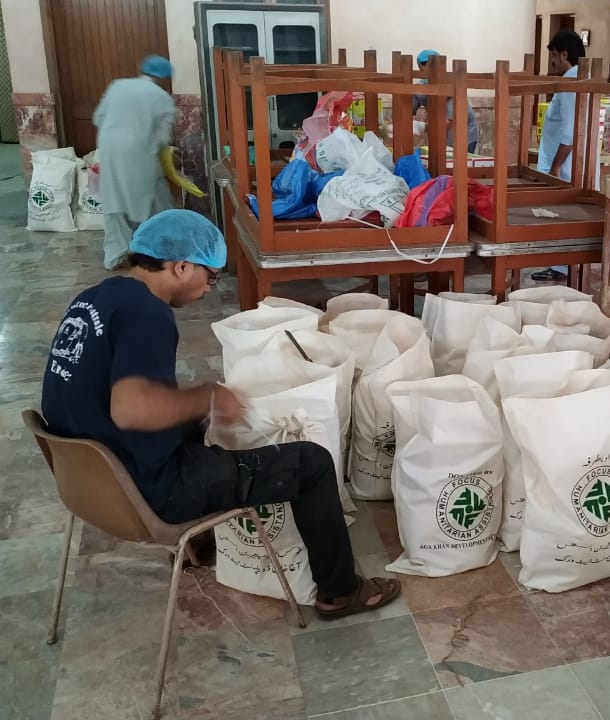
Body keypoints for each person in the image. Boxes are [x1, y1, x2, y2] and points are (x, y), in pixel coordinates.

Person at [40, 209, 400, 619]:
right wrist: (210, 396)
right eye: (210, 276)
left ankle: (200, 542)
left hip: (88, 482)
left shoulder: (95, 298)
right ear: (181, 266)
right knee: (312, 462)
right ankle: (340, 593)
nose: (210, 287)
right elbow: (132, 408)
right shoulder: (149, 314)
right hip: (147, 490)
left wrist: (195, 409)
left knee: (194, 420)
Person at [93, 55, 178, 271]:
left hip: (109, 150)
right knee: (151, 201)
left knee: (115, 203)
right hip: (138, 153)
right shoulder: (162, 98)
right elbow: (162, 139)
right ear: (165, 78)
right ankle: (153, 253)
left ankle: (114, 257)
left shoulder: (118, 86)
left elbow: (98, 118)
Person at [531, 29, 588, 283]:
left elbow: (570, 134)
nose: (551, 62)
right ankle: (566, 266)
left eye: (553, 55)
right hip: (572, 163)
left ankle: (562, 268)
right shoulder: (579, 78)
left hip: (565, 167)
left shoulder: (569, 83)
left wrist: (555, 168)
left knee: (561, 216)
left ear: (563, 54)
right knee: (568, 217)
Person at [412, 49, 479, 153]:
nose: (426, 68)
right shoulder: (421, 87)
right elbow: (409, 109)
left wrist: (421, 126)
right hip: (441, 134)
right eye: (423, 64)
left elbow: (449, 121)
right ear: (420, 67)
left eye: (432, 64)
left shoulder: (451, 85)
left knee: (459, 165)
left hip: (464, 135)